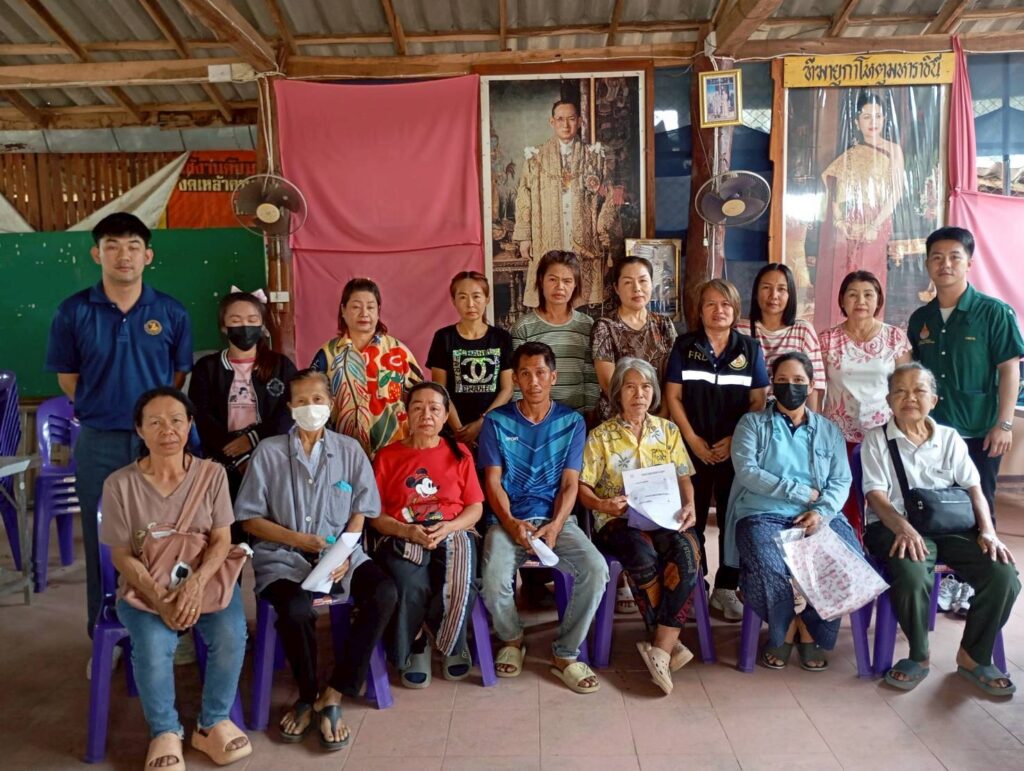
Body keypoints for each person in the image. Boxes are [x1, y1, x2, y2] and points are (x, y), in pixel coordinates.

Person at [45, 212, 193, 646]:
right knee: (104, 542)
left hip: (160, 445)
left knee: (168, 536)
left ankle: (169, 630)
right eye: (112, 246)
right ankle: (105, 635)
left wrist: (153, 423)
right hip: (100, 443)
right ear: (97, 254)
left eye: (133, 246)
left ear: (148, 255)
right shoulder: (73, 311)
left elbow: (177, 377)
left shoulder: (171, 311)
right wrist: (105, 409)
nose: (123, 255)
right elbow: (68, 379)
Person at [234, 370, 398, 751]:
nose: (311, 408)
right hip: (282, 557)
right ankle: (307, 695)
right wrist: (297, 539)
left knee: (384, 592)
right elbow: (249, 519)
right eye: (302, 401)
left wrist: (344, 553)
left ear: (331, 404)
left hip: (341, 556)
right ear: (290, 407)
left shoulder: (349, 451)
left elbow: (361, 510)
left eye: (318, 400)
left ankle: (335, 691)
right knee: (295, 608)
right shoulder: (269, 453)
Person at [101, 388, 250, 769]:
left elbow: (222, 540)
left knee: (231, 633)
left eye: (176, 420)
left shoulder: (212, 474)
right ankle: (165, 730)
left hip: (207, 580)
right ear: (140, 430)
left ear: (190, 425)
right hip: (147, 585)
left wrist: (196, 585)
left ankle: (212, 722)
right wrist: (159, 596)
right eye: (155, 422)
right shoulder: (119, 484)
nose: (167, 430)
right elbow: (121, 554)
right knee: (153, 644)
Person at [861, 363, 1019, 695]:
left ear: (933, 400)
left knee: (1003, 574)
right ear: (889, 400)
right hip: (893, 524)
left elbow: (974, 488)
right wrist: (904, 528)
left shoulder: (949, 438)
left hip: (950, 526)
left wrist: (988, 531)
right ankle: (918, 655)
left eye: (919, 390)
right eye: (900, 391)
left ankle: (974, 655)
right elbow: (875, 495)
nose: (910, 398)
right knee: (911, 570)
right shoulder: (877, 439)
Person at [478, 341, 609, 693]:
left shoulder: (572, 422)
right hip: (507, 522)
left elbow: (569, 484)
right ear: (515, 379)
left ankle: (565, 652)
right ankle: (512, 638)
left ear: (553, 376)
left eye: (540, 373)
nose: (533, 381)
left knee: (596, 570)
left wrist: (555, 525)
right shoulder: (496, 422)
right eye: (525, 373)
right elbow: (493, 483)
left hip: (556, 520)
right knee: (493, 577)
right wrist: (510, 524)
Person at [908, 227, 1024, 612]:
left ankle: (977, 584)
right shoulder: (921, 318)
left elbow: (1009, 369)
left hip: (980, 430)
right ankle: (948, 579)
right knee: (941, 507)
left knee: (979, 505)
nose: (945, 264)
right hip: (933, 435)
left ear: (969, 263)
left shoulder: (993, 312)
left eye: (954, 257)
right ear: (927, 264)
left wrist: (1004, 424)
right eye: (937, 257)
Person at [725, 352, 856, 671]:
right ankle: (783, 631)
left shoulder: (828, 430)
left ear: (811, 386)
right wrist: (799, 492)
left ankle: (808, 628)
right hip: (762, 513)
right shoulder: (752, 423)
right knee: (767, 565)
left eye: (799, 381)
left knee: (846, 559)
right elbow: (747, 471)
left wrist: (820, 511)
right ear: (772, 385)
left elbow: (841, 480)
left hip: (817, 514)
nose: (791, 387)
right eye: (782, 380)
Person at [578, 357, 700, 694]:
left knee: (688, 552)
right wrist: (602, 504)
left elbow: (684, 476)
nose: (639, 394)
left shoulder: (668, 431)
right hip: (618, 521)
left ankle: (660, 646)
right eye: (630, 387)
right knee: (642, 553)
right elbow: (582, 487)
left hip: (665, 517)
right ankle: (669, 640)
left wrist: (689, 505)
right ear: (618, 393)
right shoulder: (601, 436)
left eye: (646, 387)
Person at [665, 279, 768, 621]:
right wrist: (692, 439)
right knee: (690, 517)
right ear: (700, 310)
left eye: (725, 304)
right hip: (691, 447)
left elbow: (758, 401)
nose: (718, 310)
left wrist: (735, 439)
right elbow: (673, 396)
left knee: (731, 516)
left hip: (735, 450)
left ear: (735, 310)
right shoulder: (685, 345)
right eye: (710, 303)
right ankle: (697, 584)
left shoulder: (750, 349)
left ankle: (726, 587)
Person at [371, 382, 483, 688]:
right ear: (406, 413)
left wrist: (450, 526)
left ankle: (447, 638)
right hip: (403, 533)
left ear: (446, 416)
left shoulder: (459, 453)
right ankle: (417, 641)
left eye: (434, 408)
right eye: (418, 407)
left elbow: (475, 507)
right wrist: (406, 530)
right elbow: (375, 516)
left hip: (452, 529)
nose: (426, 415)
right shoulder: (388, 456)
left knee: (460, 578)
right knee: (409, 584)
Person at [819, 270, 911, 535]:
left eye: (868, 294)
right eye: (853, 294)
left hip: (883, 434)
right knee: (845, 499)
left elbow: (905, 386)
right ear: (842, 300)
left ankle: (881, 550)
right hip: (839, 434)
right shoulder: (827, 340)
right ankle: (850, 548)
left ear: (878, 300)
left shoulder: (894, 338)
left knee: (883, 498)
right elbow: (816, 388)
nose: (861, 301)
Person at [513, 100, 622, 309]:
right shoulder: (536, 158)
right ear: (552, 122)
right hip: (547, 235)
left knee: (581, 298)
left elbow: (609, 196)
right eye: (560, 119)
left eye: (571, 119)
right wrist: (525, 237)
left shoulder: (594, 157)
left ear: (579, 122)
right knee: (551, 293)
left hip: (583, 239)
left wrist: (603, 229)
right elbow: (523, 198)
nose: (566, 125)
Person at [188, 288, 297, 498]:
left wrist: (253, 440)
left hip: (272, 458)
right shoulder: (207, 368)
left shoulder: (281, 366)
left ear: (262, 324)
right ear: (223, 326)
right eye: (236, 320)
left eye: (252, 320)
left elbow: (288, 411)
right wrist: (236, 456)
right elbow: (201, 415)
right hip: (222, 460)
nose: (245, 327)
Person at [814, 91, 906, 330]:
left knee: (869, 277)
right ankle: (838, 331)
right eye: (866, 117)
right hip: (847, 225)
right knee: (844, 277)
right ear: (856, 122)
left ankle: (868, 331)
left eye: (878, 116)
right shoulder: (851, 152)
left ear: (884, 119)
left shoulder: (893, 150)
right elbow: (834, 188)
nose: (873, 122)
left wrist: (874, 225)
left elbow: (895, 193)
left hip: (877, 222)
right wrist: (839, 222)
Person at [310, 277, 422, 458]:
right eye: (356, 307)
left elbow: (420, 398)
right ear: (343, 310)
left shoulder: (398, 351)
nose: (364, 313)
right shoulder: (328, 354)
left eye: (370, 307)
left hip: (393, 452)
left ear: (378, 311)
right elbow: (312, 401)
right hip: (342, 452)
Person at [426, 271, 513, 448]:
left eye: (476, 296)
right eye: (463, 297)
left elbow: (507, 389)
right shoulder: (444, 337)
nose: (470, 304)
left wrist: (482, 423)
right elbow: (441, 391)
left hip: (493, 428)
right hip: (453, 430)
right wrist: (460, 431)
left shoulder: (501, 338)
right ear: (453, 301)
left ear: (487, 299)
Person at [509, 250, 599, 413]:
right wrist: (522, 417)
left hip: (576, 416)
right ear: (541, 280)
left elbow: (590, 376)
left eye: (567, 281)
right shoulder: (524, 327)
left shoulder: (586, 325)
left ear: (575, 284)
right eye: (552, 279)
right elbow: (518, 381)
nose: (560, 287)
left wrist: (590, 412)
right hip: (536, 417)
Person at [592, 255, 678, 423]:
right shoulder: (605, 326)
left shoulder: (664, 324)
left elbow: (673, 377)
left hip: (659, 417)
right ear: (616, 288)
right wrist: (637, 420)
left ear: (651, 284)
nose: (637, 288)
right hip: (618, 420)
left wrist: (661, 416)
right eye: (628, 282)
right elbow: (609, 384)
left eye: (643, 281)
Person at [737, 263, 824, 409]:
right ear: (756, 292)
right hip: (748, 414)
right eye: (766, 287)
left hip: (791, 416)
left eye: (781, 289)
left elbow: (815, 384)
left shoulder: (803, 330)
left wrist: (811, 421)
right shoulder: (740, 329)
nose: (773, 295)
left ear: (790, 294)